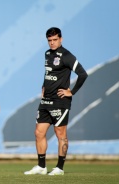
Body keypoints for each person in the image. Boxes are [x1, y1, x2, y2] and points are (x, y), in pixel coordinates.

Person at [24, 27, 88, 176]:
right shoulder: (47, 54)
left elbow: (83, 74)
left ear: (61, 39)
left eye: (55, 40)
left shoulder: (67, 55)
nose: (52, 43)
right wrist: (43, 86)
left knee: (61, 134)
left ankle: (59, 168)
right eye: (49, 40)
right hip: (46, 100)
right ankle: (41, 166)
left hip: (60, 102)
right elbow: (48, 73)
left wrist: (71, 92)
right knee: (38, 133)